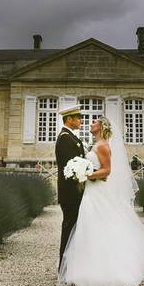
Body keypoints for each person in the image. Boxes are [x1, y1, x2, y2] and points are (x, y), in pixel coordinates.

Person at [57, 115, 144, 286]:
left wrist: (86, 174)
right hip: (91, 191)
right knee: (89, 228)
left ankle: (107, 269)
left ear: (101, 127)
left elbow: (107, 171)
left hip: (97, 190)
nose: (90, 123)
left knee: (99, 226)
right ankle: (85, 267)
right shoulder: (95, 144)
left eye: (94, 122)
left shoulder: (103, 146)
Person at [55, 104, 87, 270]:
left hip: (74, 192)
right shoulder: (65, 138)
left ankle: (71, 265)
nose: (81, 120)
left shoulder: (70, 136)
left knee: (73, 227)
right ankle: (63, 267)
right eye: (78, 118)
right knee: (69, 226)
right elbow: (70, 168)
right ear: (69, 119)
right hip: (70, 193)